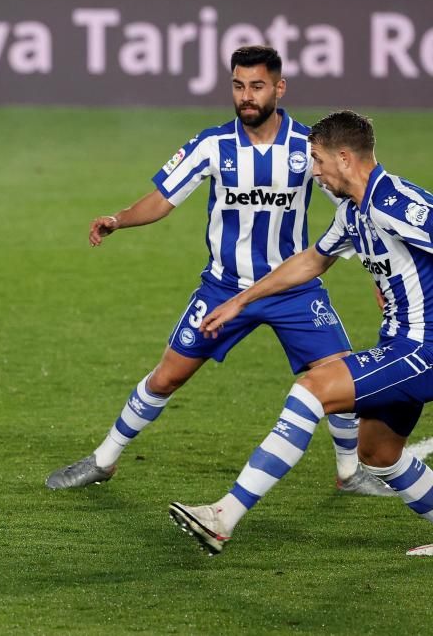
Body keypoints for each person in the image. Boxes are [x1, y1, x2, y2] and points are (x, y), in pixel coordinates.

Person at [46, 46, 390, 498]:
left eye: (257, 86)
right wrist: (119, 218)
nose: (246, 96)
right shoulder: (213, 145)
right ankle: (103, 460)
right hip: (224, 288)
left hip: (293, 290)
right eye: (238, 86)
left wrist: (379, 275)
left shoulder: (308, 149)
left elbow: (356, 209)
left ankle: (349, 472)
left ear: (279, 88)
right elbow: (163, 197)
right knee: (167, 376)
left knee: (339, 372)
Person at [171, 110, 433, 557]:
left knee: (312, 389)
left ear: (345, 158)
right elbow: (312, 260)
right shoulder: (354, 212)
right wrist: (241, 300)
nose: (314, 170)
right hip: (398, 343)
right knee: (378, 453)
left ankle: (222, 517)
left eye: (317, 159)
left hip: (422, 349)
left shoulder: (395, 204)